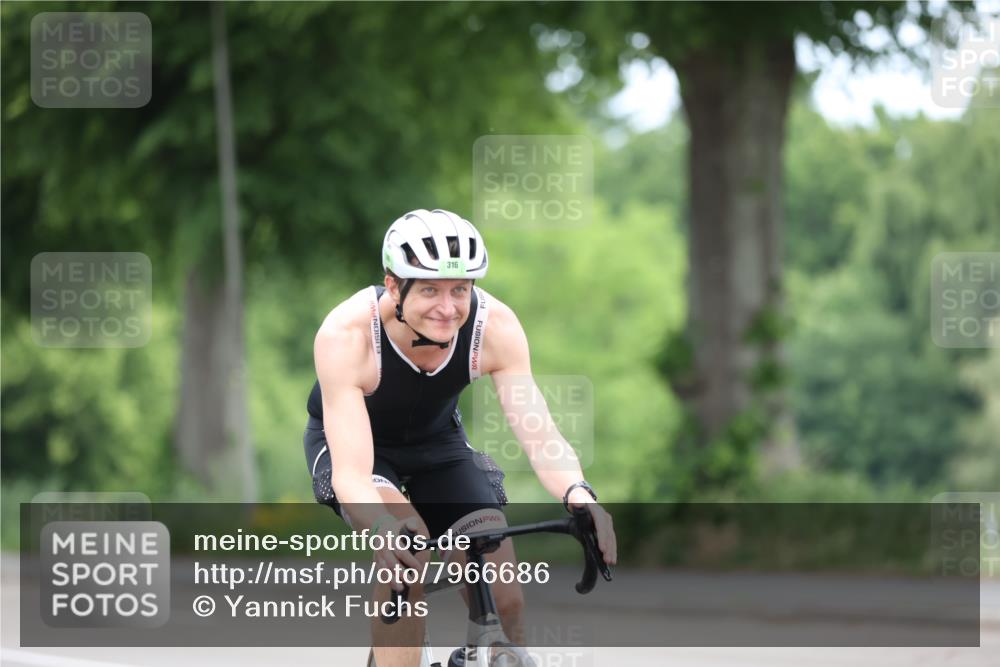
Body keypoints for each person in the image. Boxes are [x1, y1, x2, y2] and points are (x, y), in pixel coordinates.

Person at [304, 208, 616, 667]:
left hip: (438, 445)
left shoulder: (495, 327)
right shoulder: (347, 334)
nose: (448, 307)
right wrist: (383, 529)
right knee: (407, 551)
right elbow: (352, 474)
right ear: (394, 286)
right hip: (356, 448)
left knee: (504, 596)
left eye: (460, 290)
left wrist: (578, 491)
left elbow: (539, 431)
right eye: (429, 289)